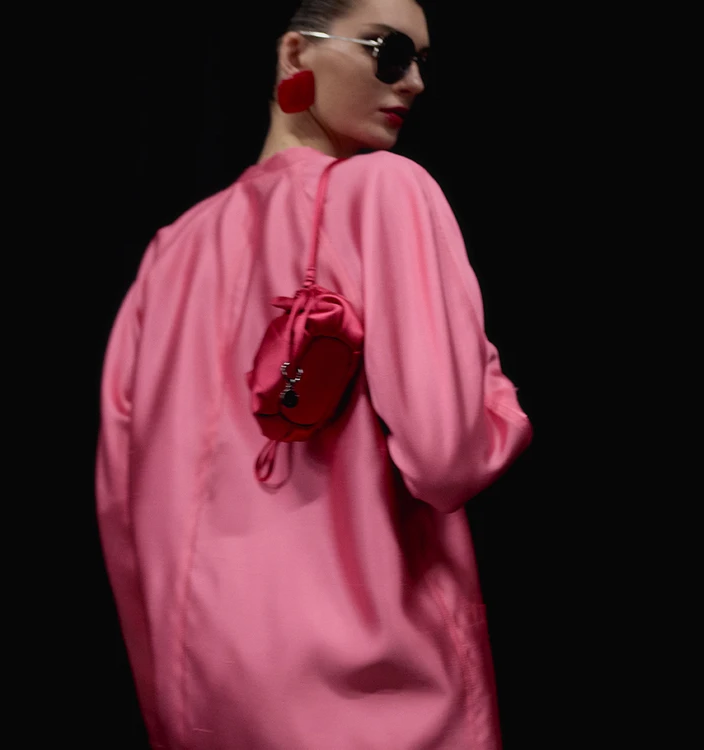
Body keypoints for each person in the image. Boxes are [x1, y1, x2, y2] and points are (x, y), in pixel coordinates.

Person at [96, 0, 533, 747]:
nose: (413, 81)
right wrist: (492, 393)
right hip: (378, 695)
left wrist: (169, 704)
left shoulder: (170, 250)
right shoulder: (387, 191)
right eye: (388, 51)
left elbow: (121, 505)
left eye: (422, 62)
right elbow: (448, 458)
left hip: (204, 697)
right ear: (297, 53)